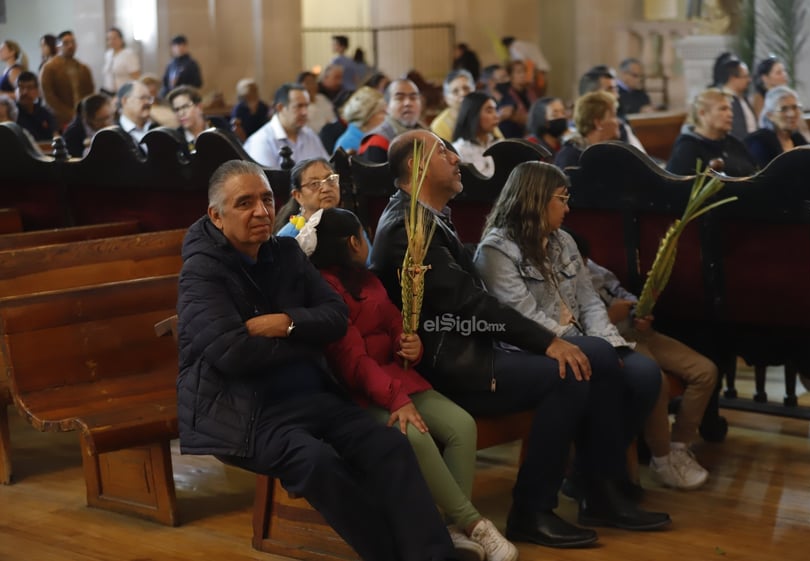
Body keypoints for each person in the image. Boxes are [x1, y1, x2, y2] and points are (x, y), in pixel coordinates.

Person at [371, 130, 671, 549]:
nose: (457, 158)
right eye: (445, 152)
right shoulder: (407, 226)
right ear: (415, 166)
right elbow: (468, 303)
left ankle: (597, 488)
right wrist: (547, 342)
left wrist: (551, 342)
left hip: (468, 350)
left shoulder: (425, 217)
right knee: (570, 372)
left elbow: (472, 302)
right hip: (444, 363)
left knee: (598, 357)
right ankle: (538, 508)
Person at [176, 159, 459, 561]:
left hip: (312, 396)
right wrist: (308, 339)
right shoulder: (200, 274)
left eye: (266, 199)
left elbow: (336, 316)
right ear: (216, 217)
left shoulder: (286, 253)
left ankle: (435, 556)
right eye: (244, 203)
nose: (260, 211)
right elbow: (232, 353)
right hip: (245, 410)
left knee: (389, 447)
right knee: (318, 463)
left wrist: (286, 323)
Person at [298, 206, 518, 561]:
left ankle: (451, 528)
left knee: (462, 425)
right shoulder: (326, 289)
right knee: (416, 435)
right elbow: (352, 363)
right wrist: (396, 399)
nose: (368, 240)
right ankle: (474, 524)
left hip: (396, 379)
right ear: (354, 242)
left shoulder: (366, 279)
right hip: (359, 394)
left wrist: (410, 344)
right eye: (363, 234)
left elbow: (393, 321)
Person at [474, 160, 666, 494]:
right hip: (531, 347)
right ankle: (605, 486)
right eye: (561, 198)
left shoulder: (563, 240)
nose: (568, 207)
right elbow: (525, 318)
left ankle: (586, 473)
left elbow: (589, 300)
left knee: (646, 375)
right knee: (602, 363)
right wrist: (591, 347)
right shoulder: (496, 249)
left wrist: (608, 342)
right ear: (536, 199)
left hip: (584, 340)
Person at [571, 230, 717, 490]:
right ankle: (661, 459)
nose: (583, 267)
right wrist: (610, 316)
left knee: (705, 371)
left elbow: (625, 296)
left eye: (584, 261)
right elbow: (575, 330)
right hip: (614, 340)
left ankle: (679, 447)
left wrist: (642, 311)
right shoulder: (564, 280)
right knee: (655, 380)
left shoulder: (597, 270)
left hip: (640, 332)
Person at [665, 88, 756, 177]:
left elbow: (754, 172)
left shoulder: (734, 144)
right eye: (723, 109)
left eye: (730, 109)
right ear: (702, 113)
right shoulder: (687, 148)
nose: (730, 114)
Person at [243, 83, 329, 167]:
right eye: (299, 106)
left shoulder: (310, 135)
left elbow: (327, 168)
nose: (305, 112)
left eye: (306, 106)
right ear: (280, 108)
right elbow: (267, 179)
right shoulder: (261, 141)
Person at [358, 78, 425, 163]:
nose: (408, 103)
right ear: (386, 106)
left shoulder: (429, 134)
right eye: (399, 98)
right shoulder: (377, 140)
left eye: (413, 97)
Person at [39, 31, 95, 129]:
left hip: (82, 118)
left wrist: (85, 114)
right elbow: (48, 97)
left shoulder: (83, 68)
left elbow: (90, 93)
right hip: (58, 121)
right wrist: (70, 115)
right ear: (58, 46)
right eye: (66, 43)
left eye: (73, 42)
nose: (70, 46)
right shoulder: (49, 68)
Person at [744, 85, 809, 168]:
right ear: (770, 115)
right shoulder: (759, 141)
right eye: (784, 109)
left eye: (795, 107)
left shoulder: (798, 139)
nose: (792, 114)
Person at [554, 90, 620, 169]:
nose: (618, 122)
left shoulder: (609, 153)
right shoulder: (570, 156)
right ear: (598, 123)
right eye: (613, 115)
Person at [451, 91, 501, 178]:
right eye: (489, 111)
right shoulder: (459, 150)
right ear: (473, 114)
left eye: (495, 110)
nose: (496, 116)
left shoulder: (500, 144)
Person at [167, 85, 229, 153]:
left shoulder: (218, 123)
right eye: (176, 110)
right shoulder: (176, 139)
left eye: (185, 107)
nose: (181, 113)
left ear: (199, 107)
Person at [711, 52, 756, 140]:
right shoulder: (721, 99)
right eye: (746, 76)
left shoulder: (743, 98)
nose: (749, 80)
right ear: (733, 78)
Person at [334, 85, 386, 153]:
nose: (386, 116)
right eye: (382, 112)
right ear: (369, 116)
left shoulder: (377, 133)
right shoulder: (345, 145)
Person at [62, 92, 113, 157]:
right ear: (88, 118)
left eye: (109, 117)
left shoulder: (114, 124)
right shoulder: (72, 134)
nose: (106, 123)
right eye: (101, 120)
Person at [430, 69, 475, 142]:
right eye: (455, 91)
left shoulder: (483, 114)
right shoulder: (439, 126)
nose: (463, 94)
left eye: (466, 88)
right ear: (446, 99)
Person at [495, 60, 535, 138]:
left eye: (524, 71)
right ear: (510, 76)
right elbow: (509, 114)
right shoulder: (506, 95)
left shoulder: (530, 91)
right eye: (519, 72)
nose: (523, 75)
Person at [14, 71, 58, 142]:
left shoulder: (45, 114)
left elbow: (56, 137)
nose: (25, 92)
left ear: (38, 91)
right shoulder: (11, 113)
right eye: (21, 87)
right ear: (15, 91)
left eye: (30, 88)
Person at [116, 80, 158, 150]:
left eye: (149, 98)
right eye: (142, 98)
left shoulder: (157, 129)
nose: (148, 102)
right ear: (125, 101)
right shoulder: (113, 135)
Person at [102, 27, 140, 96]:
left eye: (114, 38)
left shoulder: (128, 54)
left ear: (121, 39)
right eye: (109, 39)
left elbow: (136, 77)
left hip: (124, 93)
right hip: (108, 92)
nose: (111, 41)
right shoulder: (108, 54)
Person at [298, 70, 337, 136]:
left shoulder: (322, 98)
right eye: (308, 83)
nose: (312, 85)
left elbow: (332, 118)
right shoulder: (300, 106)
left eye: (313, 82)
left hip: (331, 133)